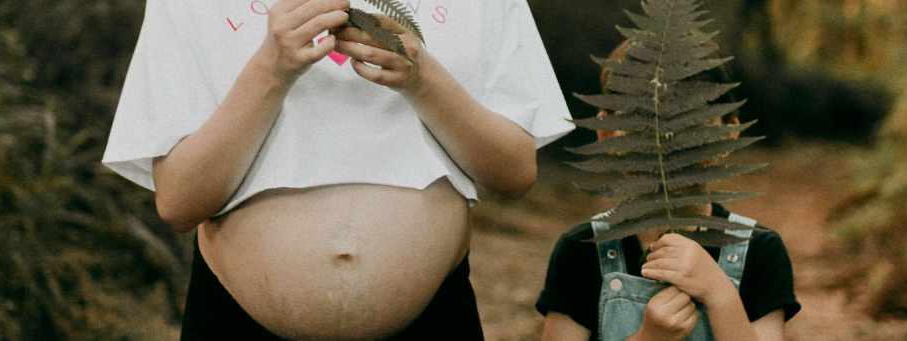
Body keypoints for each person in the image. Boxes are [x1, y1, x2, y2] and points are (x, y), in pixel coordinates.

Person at [100, 0, 573, 339]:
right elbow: (179, 203)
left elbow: (515, 173)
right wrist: (271, 68)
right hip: (236, 321)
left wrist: (423, 78)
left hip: (431, 320)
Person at [536, 41, 800, 341]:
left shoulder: (760, 252)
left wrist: (720, 294)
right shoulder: (581, 251)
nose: (666, 140)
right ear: (608, 132)